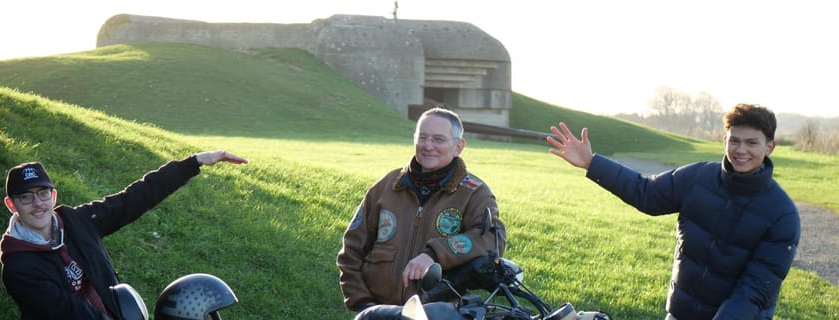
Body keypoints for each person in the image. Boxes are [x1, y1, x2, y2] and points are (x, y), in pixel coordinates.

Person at [546, 104, 800, 319]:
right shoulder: (698, 177)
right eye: (734, 140)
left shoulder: (783, 214)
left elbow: (754, 290)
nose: (741, 150)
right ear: (725, 140)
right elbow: (646, 193)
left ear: (769, 147)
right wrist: (592, 163)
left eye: (752, 142)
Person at [0, 150, 248, 319]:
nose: (38, 203)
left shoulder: (78, 222)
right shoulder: (19, 266)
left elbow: (134, 198)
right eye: (26, 197)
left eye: (43, 193)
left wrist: (193, 162)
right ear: (12, 205)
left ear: (53, 196)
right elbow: (68, 313)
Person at [337, 107, 506, 319]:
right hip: (379, 312)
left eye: (438, 139)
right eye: (422, 137)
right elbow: (351, 252)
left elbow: (492, 240)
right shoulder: (386, 187)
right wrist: (364, 305)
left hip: (437, 315)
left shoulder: (474, 193)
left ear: (458, 147)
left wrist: (434, 254)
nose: (428, 146)